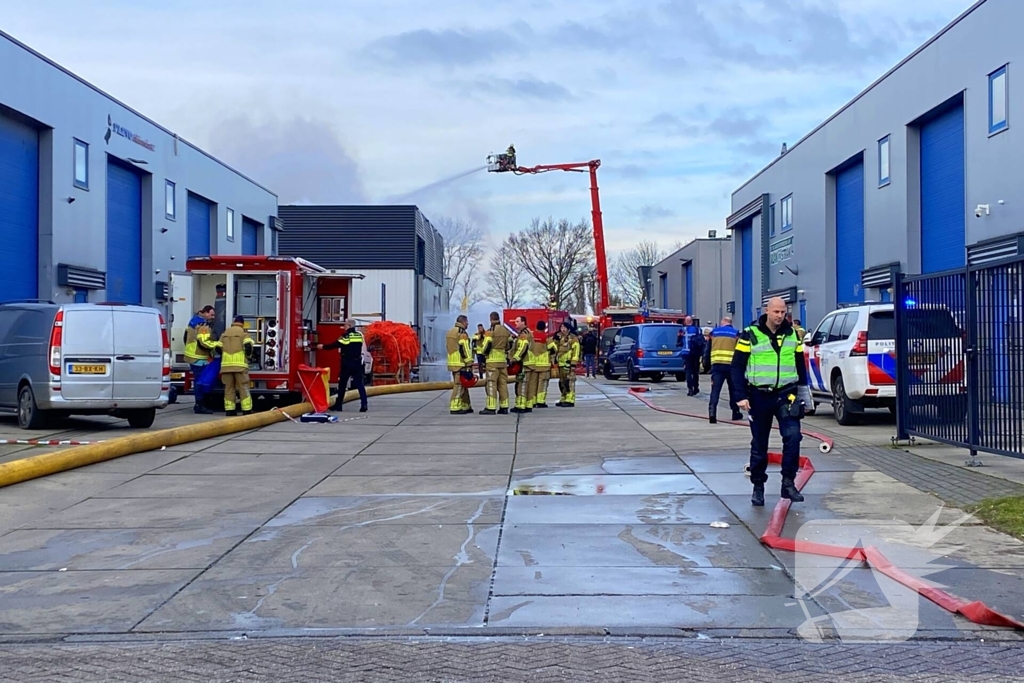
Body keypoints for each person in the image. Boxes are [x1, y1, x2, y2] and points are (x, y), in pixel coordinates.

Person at [731, 297, 812, 507]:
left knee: (793, 438)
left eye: (783, 312)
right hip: (759, 396)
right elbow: (737, 366)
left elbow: (799, 365)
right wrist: (740, 396)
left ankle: (788, 483)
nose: (779, 316)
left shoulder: (792, 334)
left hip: (787, 395)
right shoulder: (750, 334)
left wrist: (805, 394)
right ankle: (758, 486)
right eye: (776, 312)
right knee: (759, 444)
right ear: (766, 310)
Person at [317, 318, 368, 413]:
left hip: (347, 363)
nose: (344, 326)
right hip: (357, 363)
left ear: (349, 326)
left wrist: (323, 347)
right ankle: (364, 404)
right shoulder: (359, 335)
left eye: (345, 324)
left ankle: (339, 405)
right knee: (360, 384)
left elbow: (336, 344)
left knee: (342, 384)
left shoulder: (346, 336)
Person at [706, 316, 743, 424]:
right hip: (731, 367)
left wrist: (706, 364)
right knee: (733, 390)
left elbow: (707, 349)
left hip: (717, 366)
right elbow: (740, 352)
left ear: (723, 322)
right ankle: (735, 412)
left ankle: (712, 413)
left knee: (715, 391)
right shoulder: (736, 334)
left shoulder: (714, 333)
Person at [215, 315, 254, 416]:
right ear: (242, 323)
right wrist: (248, 356)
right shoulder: (244, 333)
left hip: (226, 366)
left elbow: (218, 348)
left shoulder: (225, 333)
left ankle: (230, 410)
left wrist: (225, 355)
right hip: (240, 366)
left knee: (229, 388)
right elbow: (248, 347)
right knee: (243, 387)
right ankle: (246, 410)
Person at [184, 305, 217, 414]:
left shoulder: (193, 320)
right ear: (206, 313)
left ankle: (200, 403)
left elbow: (186, 337)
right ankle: (200, 405)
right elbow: (204, 342)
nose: (213, 317)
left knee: (200, 380)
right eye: (211, 314)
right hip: (198, 357)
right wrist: (218, 345)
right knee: (200, 381)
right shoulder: (203, 325)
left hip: (192, 355)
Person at [478, 311, 511, 415]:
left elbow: (486, 346)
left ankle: (491, 407)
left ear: (491, 319)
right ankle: (504, 406)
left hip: (492, 361)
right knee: (503, 384)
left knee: (491, 383)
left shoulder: (490, 331)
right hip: (502, 361)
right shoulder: (506, 330)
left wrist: (483, 354)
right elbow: (510, 344)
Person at [445, 315, 475, 415]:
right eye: (467, 322)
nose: (468, 324)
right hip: (461, 363)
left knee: (463, 384)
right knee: (459, 386)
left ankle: (466, 405)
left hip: (452, 362)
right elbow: (465, 348)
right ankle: (455, 406)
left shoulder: (450, 331)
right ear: (463, 322)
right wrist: (469, 362)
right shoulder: (462, 333)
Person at [526, 320, 557, 409]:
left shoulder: (531, 336)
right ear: (544, 328)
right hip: (544, 365)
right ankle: (541, 401)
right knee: (542, 383)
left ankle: (532, 401)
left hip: (532, 365)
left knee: (533, 384)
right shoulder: (546, 337)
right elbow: (554, 349)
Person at [510, 316, 533, 413]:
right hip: (526, 362)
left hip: (524, 363)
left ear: (523, 322)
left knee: (521, 385)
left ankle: (521, 405)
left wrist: (515, 359)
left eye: (518, 321)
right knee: (526, 385)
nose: (516, 323)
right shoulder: (523, 333)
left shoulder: (524, 334)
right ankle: (527, 404)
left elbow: (523, 347)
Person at [556, 322, 582, 406]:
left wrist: (573, 364)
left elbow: (576, 351)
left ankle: (570, 399)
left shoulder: (573, 338)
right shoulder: (560, 338)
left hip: (569, 364)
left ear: (568, 329)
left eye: (564, 328)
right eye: (561, 327)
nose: (562, 329)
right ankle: (563, 397)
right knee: (562, 382)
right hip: (561, 364)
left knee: (569, 382)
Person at [679, 315, 705, 396]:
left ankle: (690, 389)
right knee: (695, 372)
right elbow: (701, 341)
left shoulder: (682, 330)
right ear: (692, 321)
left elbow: (679, 341)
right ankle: (696, 387)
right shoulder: (697, 329)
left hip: (686, 354)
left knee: (688, 372)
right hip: (695, 353)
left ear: (685, 322)